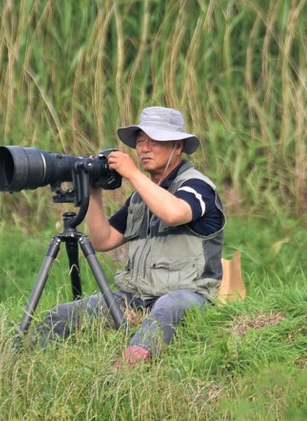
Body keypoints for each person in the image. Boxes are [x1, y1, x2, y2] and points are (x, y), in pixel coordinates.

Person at [32, 106, 225, 368]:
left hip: (189, 295)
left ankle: (124, 372)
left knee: (168, 306)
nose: (145, 148)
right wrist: (94, 191)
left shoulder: (197, 186)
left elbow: (173, 213)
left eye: (155, 141)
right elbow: (104, 240)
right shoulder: (141, 197)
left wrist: (132, 173)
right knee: (65, 313)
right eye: (141, 141)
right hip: (137, 297)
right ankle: (22, 357)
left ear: (178, 146)